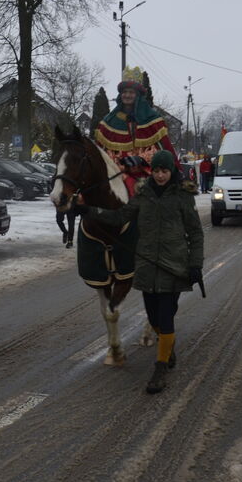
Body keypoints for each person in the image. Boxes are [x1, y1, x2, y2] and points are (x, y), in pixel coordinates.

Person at [78, 150, 204, 394]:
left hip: (173, 265)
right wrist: (88, 211)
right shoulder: (142, 195)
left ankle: (159, 369)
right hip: (146, 266)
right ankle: (168, 347)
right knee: (155, 318)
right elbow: (119, 217)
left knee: (166, 317)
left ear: (172, 171)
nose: (159, 175)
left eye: (164, 171)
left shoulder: (183, 197)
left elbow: (196, 233)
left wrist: (195, 264)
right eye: (156, 170)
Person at [95, 71, 176, 196]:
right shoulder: (108, 122)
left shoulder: (153, 119)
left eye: (131, 92)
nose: (127, 95)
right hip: (116, 174)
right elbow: (101, 152)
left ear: (137, 95)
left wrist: (140, 159)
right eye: (124, 92)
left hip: (147, 175)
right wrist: (118, 165)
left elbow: (163, 149)